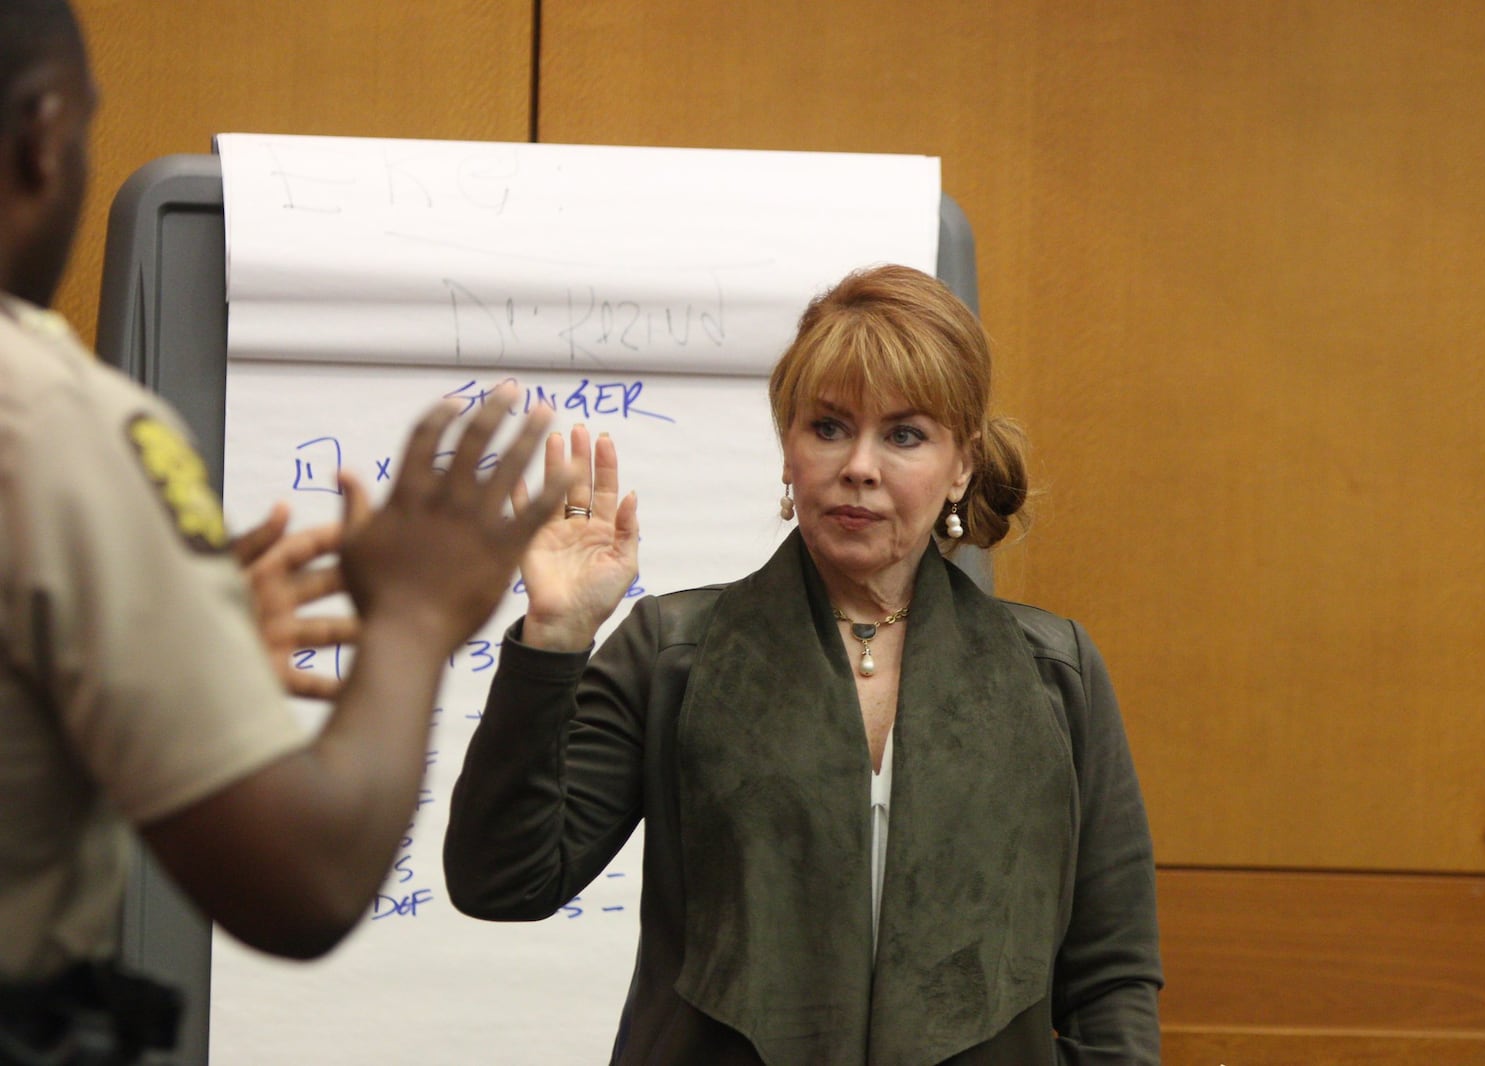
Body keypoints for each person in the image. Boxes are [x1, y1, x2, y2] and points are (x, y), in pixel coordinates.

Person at [0, 2, 572, 1061]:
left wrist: (168, 674)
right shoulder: (46, 422)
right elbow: (304, 880)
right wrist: (408, 615)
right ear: (41, 134)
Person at [444, 263, 1163, 1064]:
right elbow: (502, 883)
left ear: (960, 464)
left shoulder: (1054, 671)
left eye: (904, 434)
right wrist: (555, 636)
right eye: (828, 427)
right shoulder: (673, 650)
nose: (859, 464)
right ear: (788, 451)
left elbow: (1112, 975)